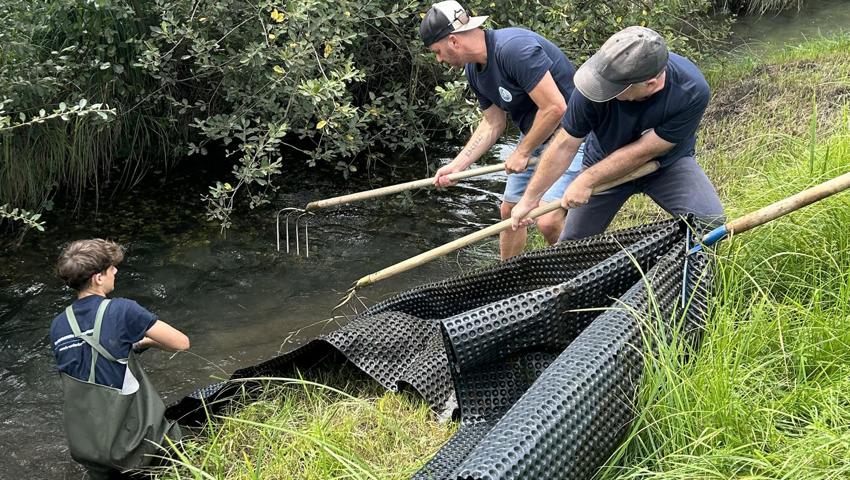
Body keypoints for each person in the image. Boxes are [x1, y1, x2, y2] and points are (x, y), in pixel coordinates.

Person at [510, 26, 724, 240]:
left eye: (613, 88)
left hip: (665, 164)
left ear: (650, 84)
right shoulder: (595, 82)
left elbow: (645, 151)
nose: (601, 89)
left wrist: (586, 180)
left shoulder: (691, 90)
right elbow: (565, 143)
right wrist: (529, 200)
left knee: (709, 223)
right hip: (603, 159)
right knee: (574, 242)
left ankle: (694, 271)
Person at [420, 0, 585, 259]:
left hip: (573, 134)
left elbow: (555, 108)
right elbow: (492, 123)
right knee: (510, 213)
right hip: (537, 133)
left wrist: (522, 152)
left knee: (547, 218)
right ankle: (506, 276)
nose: (439, 59)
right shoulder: (475, 71)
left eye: (437, 51)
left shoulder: (513, 49)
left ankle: (570, 274)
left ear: (453, 41)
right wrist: (458, 166)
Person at [49, 239, 190, 479]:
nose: (115, 271)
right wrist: (147, 341)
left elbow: (91, 358)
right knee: (184, 435)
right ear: (98, 278)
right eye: (111, 267)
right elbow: (180, 343)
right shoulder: (123, 309)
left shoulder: (58, 324)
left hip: (89, 447)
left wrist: (132, 345)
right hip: (132, 446)